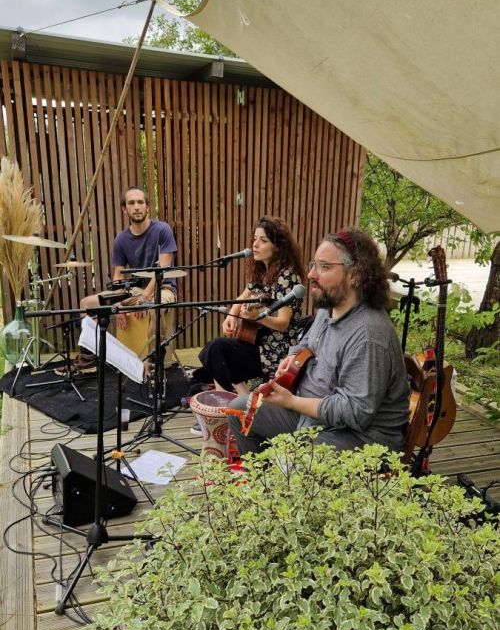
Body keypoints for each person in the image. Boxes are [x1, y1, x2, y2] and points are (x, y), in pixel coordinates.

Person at [228, 227, 410, 455]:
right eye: (313, 264)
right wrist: (292, 358)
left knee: (296, 457)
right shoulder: (329, 308)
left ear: (355, 274)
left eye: (324, 266)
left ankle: (283, 483)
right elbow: (308, 343)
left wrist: (292, 402)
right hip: (312, 414)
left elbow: (356, 412)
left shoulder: (369, 335)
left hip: (360, 436)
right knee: (240, 410)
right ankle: (264, 485)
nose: (311, 274)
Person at [194, 216, 306, 399]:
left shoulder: (288, 276)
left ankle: (237, 402)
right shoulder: (261, 272)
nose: (255, 245)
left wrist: (259, 316)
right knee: (213, 350)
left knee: (216, 349)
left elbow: (283, 323)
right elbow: (242, 298)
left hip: (276, 352)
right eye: (255, 239)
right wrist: (231, 316)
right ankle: (233, 403)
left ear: (278, 246)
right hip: (255, 344)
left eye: (263, 241)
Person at [71, 187, 178, 371]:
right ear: (124, 209)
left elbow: (163, 269)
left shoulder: (162, 230)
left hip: (163, 287)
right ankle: (91, 359)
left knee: (153, 309)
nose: (136, 207)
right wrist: (118, 304)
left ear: (147, 207)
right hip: (134, 289)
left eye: (140, 202)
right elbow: (118, 276)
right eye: (131, 203)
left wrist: (144, 297)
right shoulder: (121, 239)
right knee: (86, 303)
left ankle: (152, 363)